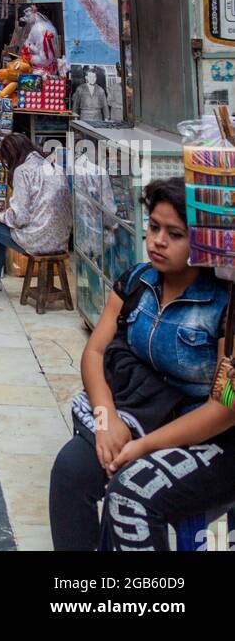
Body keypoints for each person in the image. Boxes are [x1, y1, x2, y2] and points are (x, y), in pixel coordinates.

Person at [49, 177, 235, 551]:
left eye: (175, 233)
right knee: (70, 471)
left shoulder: (225, 303)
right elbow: (94, 353)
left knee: (131, 492)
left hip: (209, 437)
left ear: (200, 240)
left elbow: (225, 407)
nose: (158, 241)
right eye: (153, 227)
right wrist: (106, 422)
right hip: (138, 413)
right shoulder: (136, 280)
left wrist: (145, 447)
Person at [0, 133, 72, 295]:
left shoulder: (23, 171)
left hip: (38, 240)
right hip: (60, 240)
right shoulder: (54, 166)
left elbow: (19, 218)